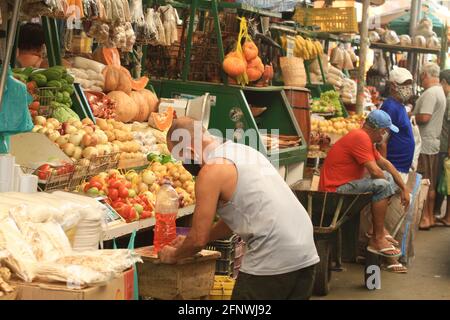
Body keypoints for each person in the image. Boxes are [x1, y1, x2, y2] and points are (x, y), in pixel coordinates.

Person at [158, 117, 320, 300]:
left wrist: (174, 255)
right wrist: (193, 239)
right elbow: (236, 218)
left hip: (273, 253)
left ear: (189, 151)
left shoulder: (211, 171)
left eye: (180, 158)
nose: (182, 164)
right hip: (305, 251)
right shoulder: (243, 151)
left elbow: (198, 240)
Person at [319, 110, 410, 259]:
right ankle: (377, 237)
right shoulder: (360, 137)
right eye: (385, 132)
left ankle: (376, 230)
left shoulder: (365, 139)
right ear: (380, 131)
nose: (384, 135)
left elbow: (385, 164)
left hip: (346, 186)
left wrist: (403, 188)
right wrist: (391, 189)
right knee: (383, 185)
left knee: (387, 179)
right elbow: (375, 172)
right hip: (335, 190)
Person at [413, 62, 447, 230]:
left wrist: (410, 117)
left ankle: (425, 217)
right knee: (431, 182)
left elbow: (424, 117)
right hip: (433, 142)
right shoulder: (439, 91)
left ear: (425, 75)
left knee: (425, 182)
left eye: (421, 76)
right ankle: (430, 217)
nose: (421, 79)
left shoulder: (430, 93)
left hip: (425, 143)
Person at [379, 67, 415, 183]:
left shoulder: (399, 105)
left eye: (410, 84)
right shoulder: (390, 107)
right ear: (393, 85)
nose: (408, 88)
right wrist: (384, 173)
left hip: (400, 169)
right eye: (405, 84)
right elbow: (382, 142)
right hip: (393, 169)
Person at [434, 69, 450, 227]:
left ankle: (442, 214)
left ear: (444, 82)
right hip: (445, 145)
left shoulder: (449, 99)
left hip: (445, 146)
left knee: (444, 181)